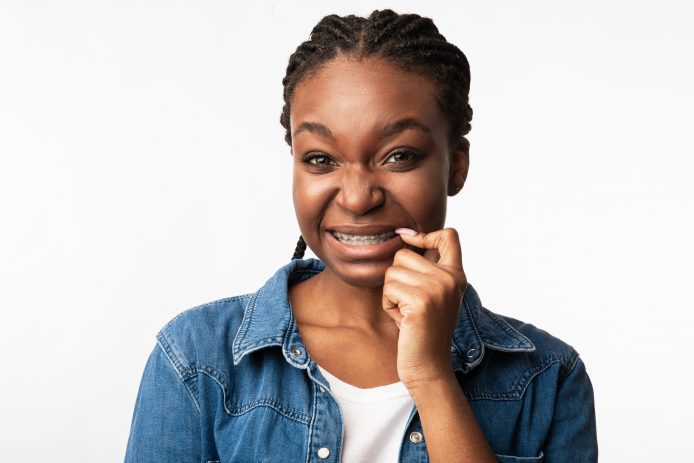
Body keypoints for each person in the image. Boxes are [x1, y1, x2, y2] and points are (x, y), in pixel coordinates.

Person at [125, 9, 597, 463]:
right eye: (320, 159)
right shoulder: (197, 360)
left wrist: (431, 375)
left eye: (399, 156)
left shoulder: (548, 379)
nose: (356, 197)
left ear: (456, 165)